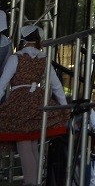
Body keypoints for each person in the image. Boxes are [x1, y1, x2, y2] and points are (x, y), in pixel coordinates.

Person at [0, 24, 71, 186]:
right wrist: (64, 107)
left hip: (19, 102)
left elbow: (2, 84)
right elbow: (56, 86)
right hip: (38, 100)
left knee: (24, 144)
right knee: (32, 144)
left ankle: (31, 182)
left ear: (23, 39)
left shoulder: (16, 58)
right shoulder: (43, 59)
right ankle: (36, 181)